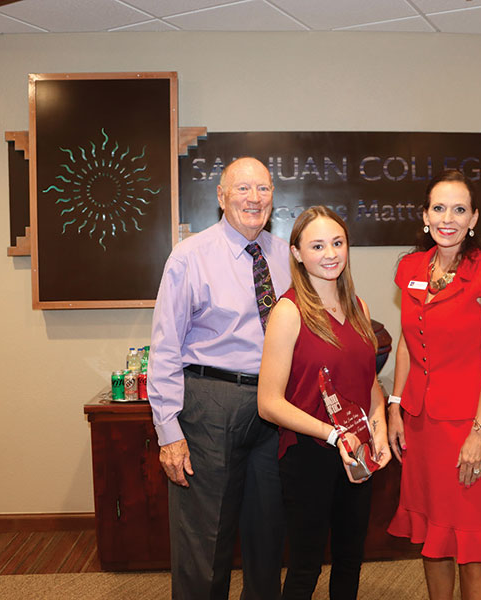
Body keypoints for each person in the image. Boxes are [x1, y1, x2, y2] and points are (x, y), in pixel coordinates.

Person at [148, 157, 288, 600]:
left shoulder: (284, 255)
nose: (254, 198)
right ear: (221, 196)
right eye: (242, 189)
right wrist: (168, 431)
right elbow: (166, 346)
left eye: (262, 189)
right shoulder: (190, 256)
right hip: (212, 404)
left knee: (268, 534)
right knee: (205, 539)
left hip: (275, 405)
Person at [386, 170, 481, 600]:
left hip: (468, 425)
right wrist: (396, 407)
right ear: (424, 216)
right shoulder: (410, 268)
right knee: (432, 538)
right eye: (439, 208)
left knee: (471, 543)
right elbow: (406, 341)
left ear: (474, 218)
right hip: (421, 424)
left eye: (459, 209)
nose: (448, 218)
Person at [257, 206, 391, 600]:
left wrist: (378, 431)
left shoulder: (359, 307)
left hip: (358, 451)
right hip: (310, 453)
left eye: (337, 242)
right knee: (305, 567)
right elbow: (268, 403)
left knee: (350, 560)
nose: (330, 253)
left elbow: (370, 384)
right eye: (317, 245)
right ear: (297, 253)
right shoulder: (288, 311)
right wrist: (334, 436)